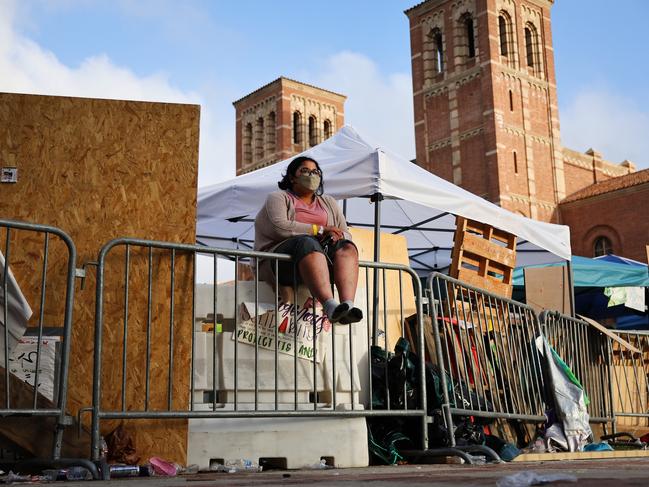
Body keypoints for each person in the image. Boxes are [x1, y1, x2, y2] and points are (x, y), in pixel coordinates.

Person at [254, 156, 363, 324]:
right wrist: (319, 229)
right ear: (292, 177)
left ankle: (348, 306)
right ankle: (330, 306)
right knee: (307, 242)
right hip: (280, 262)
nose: (311, 175)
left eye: (315, 172)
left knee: (347, 247)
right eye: (305, 171)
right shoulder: (278, 198)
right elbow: (281, 227)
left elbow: (345, 231)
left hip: (320, 258)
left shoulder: (328, 202)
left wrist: (337, 236)